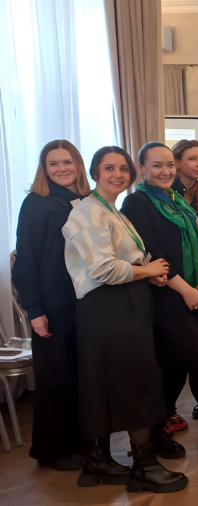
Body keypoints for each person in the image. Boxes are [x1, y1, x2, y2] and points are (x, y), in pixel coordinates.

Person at [63, 146, 186, 493]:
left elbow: (129, 255)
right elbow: (103, 269)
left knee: (107, 386)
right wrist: (146, 269)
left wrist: (151, 272)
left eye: (122, 168)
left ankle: (97, 461)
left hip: (121, 305)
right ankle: (144, 468)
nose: (117, 174)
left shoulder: (110, 210)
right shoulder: (88, 212)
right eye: (108, 168)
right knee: (140, 386)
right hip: (108, 308)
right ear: (94, 172)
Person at [122, 142, 198, 457]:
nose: (165, 171)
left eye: (169, 166)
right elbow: (151, 253)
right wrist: (187, 291)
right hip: (165, 296)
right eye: (157, 165)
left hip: (195, 290)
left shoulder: (177, 200)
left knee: (175, 367)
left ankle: (159, 432)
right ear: (142, 170)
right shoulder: (137, 203)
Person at [12, 140, 91, 471]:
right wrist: (35, 310)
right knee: (55, 379)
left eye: (67, 162)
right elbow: (25, 260)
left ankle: (79, 443)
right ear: (44, 169)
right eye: (53, 163)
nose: (61, 168)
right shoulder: (36, 203)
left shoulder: (87, 201)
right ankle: (51, 451)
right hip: (52, 306)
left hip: (85, 303)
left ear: (78, 165)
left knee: (80, 376)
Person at [169, 139, 198, 432]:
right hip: (170, 286)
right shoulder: (162, 196)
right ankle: (167, 411)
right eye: (192, 158)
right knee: (173, 356)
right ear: (177, 162)